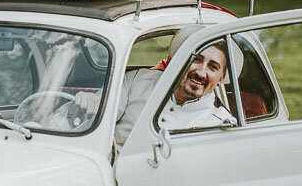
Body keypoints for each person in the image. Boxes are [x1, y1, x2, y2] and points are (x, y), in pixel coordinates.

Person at [74, 24, 241, 147]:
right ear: (179, 59)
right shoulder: (137, 80)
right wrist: (92, 102)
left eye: (212, 67)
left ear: (222, 78)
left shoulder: (222, 125)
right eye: (196, 59)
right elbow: (101, 114)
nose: (201, 72)